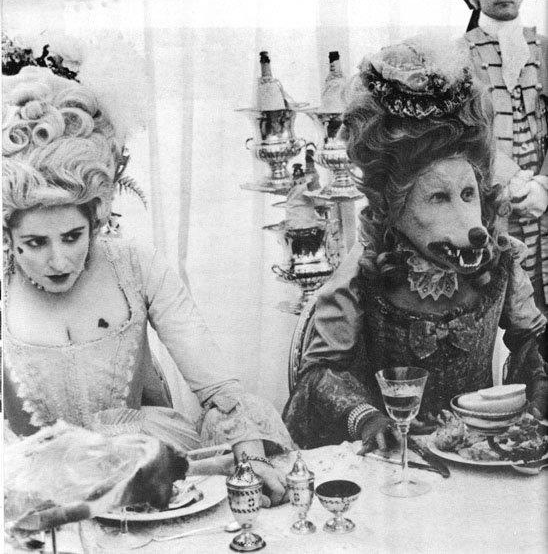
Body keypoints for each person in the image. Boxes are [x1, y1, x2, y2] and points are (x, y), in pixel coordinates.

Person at [2, 51, 293, 505]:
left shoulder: (134, 266)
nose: (58, 260)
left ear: (96, 217)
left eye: (73, 236)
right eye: (35, 243)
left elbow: (215, 384)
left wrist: (250, 457)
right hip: (40, 484)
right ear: (8, 232)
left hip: (146, 466)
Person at [282, 37, 548, 452]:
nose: (471, 225)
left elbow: (531, 345)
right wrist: (366, 418)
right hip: (391, 456)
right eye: (437, 198)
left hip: (476, 453)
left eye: (467, 195)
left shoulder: (498, 261)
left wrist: (539, 392)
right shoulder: (362, 270)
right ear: (395, 209)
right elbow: (319, 374)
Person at [462, 0, 548, 314]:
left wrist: (543, 185)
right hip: (490, 208)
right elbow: (464, 135)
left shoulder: (545, 48)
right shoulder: (458, 54)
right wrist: (509, 181)